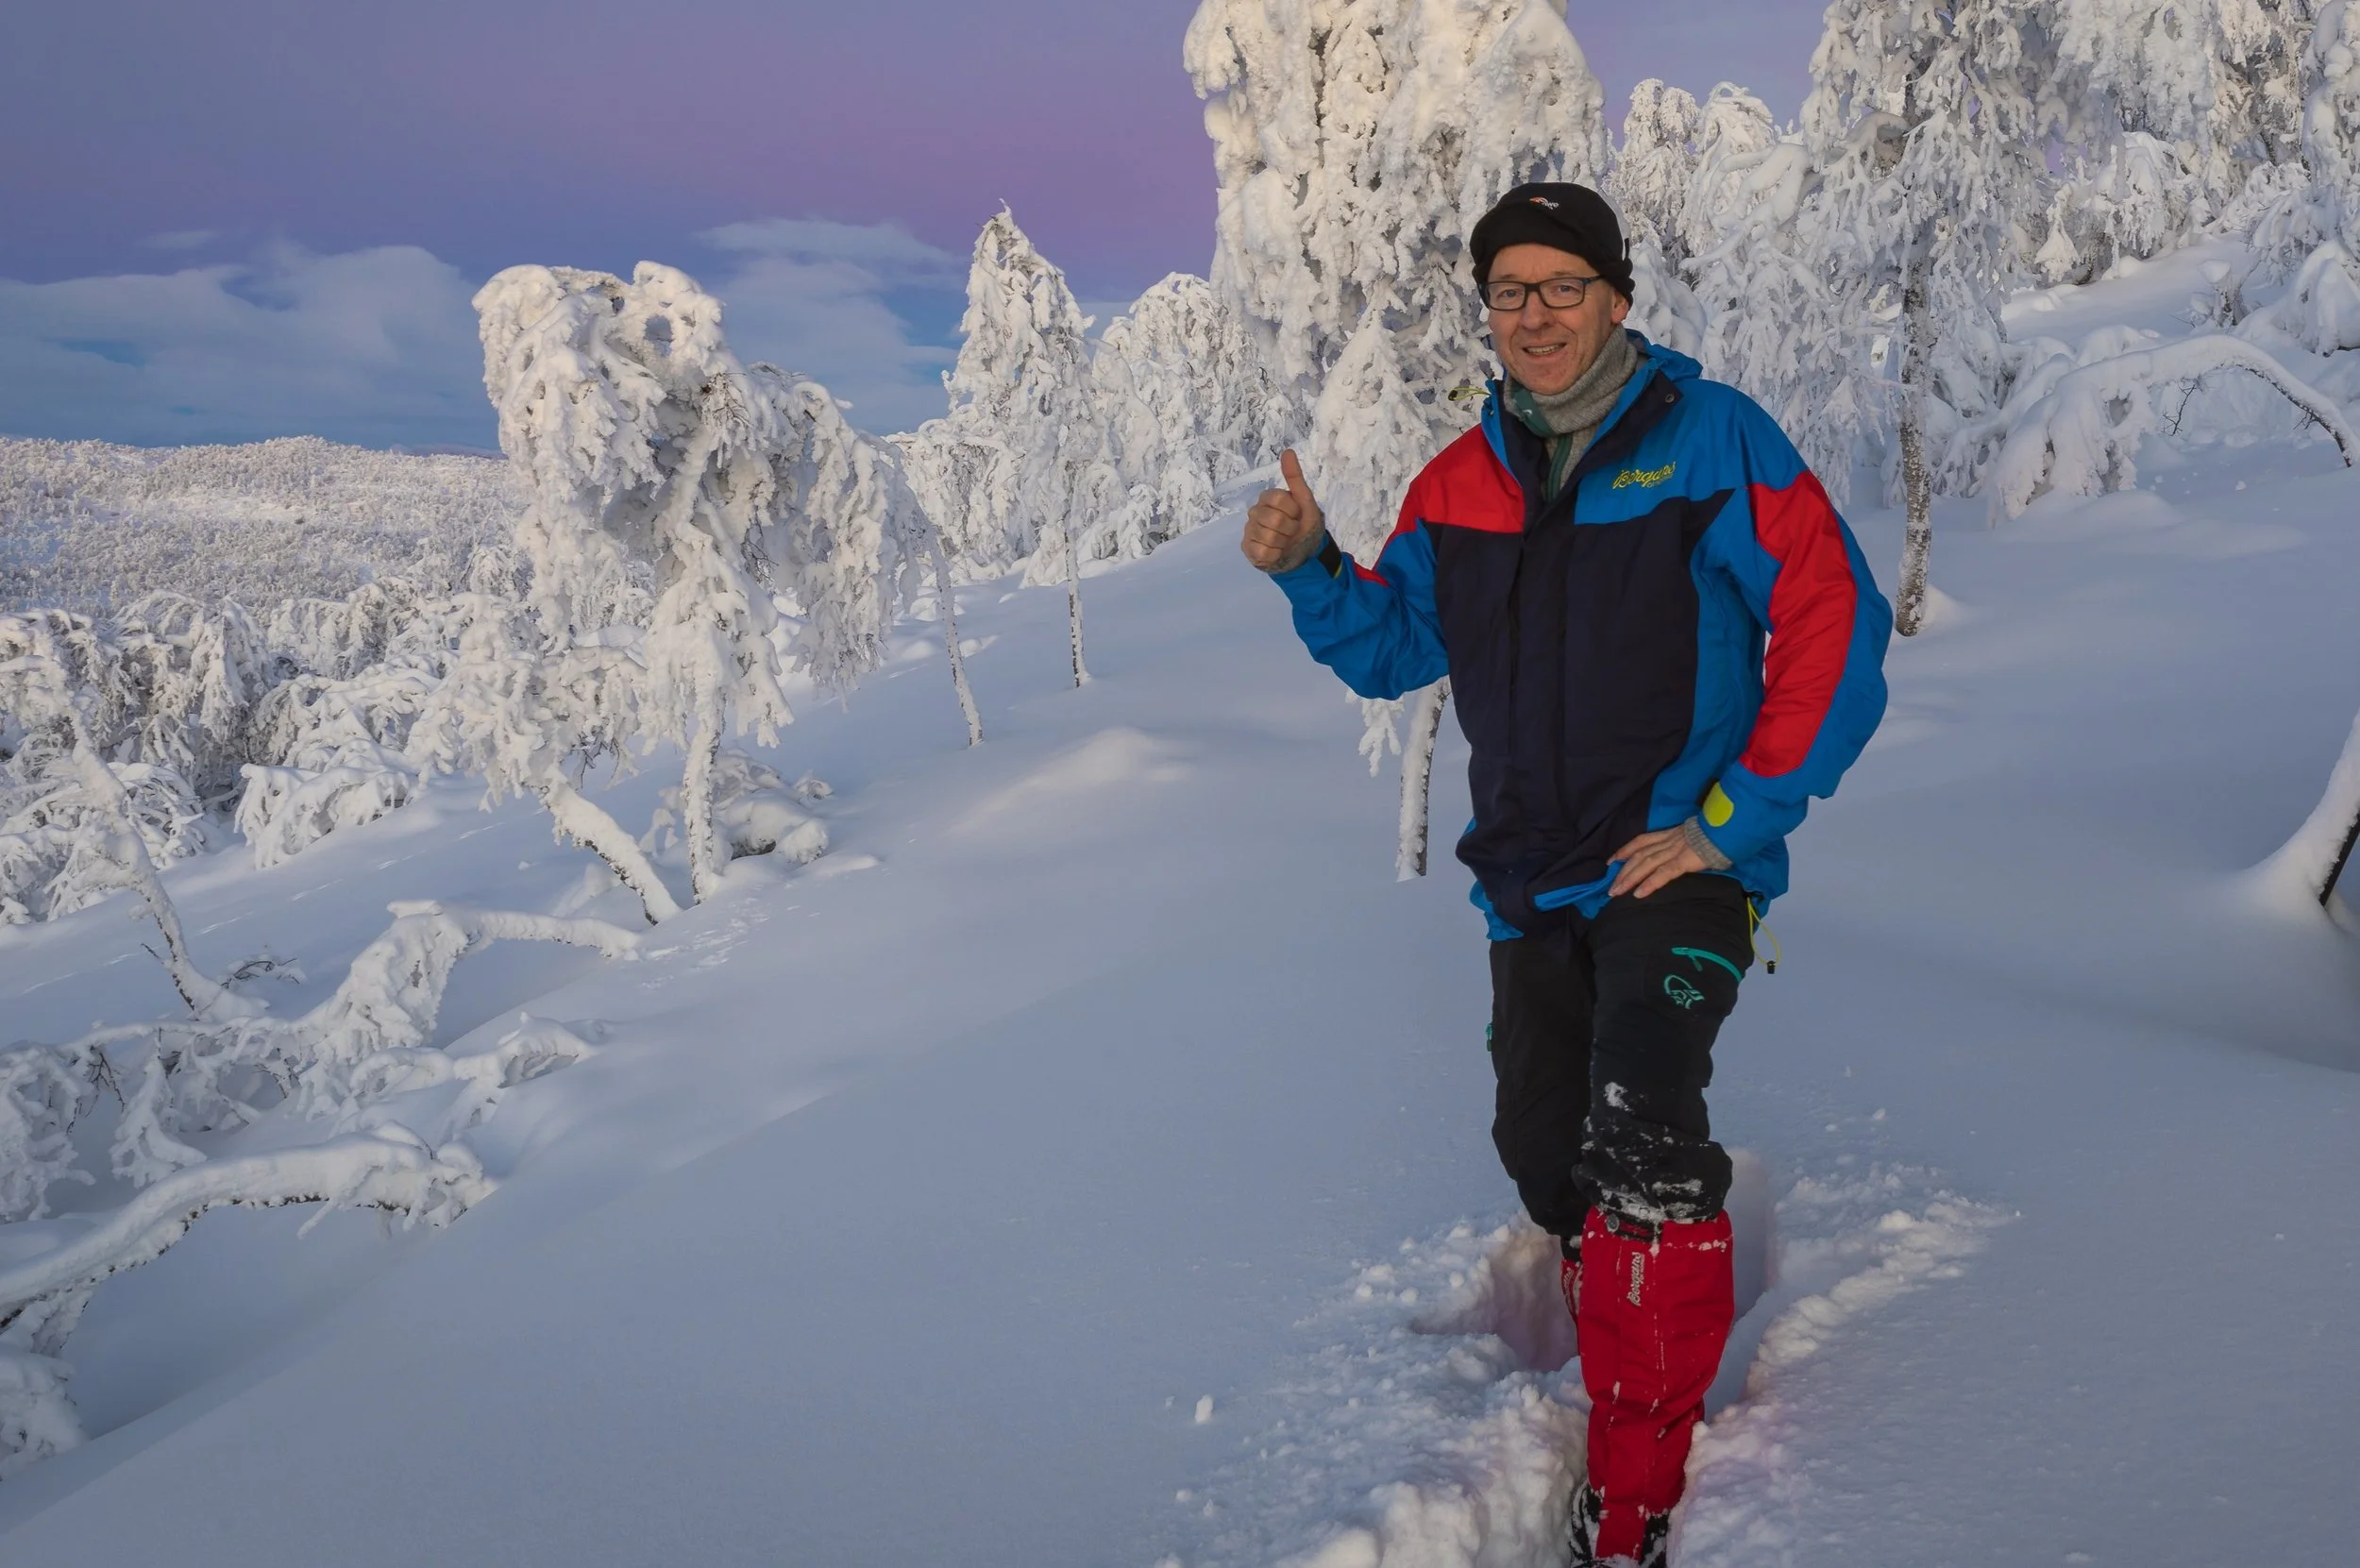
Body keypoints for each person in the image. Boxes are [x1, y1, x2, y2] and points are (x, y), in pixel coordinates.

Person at [1240, 183, 1890, 1567]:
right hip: (1525, 886)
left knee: (1643, 1135)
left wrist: (1734, 816)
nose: (1535, 315)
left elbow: (1835, 619)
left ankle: (1635, 1490)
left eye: (1563, 285)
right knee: (1551, 1163)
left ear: (1617, 297)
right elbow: (1390, 649)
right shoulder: (1459, 480)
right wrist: (1310, 570)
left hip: (1674, 867)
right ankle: (1626, 1334)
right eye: (1510, 291)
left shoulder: (1715, 442)